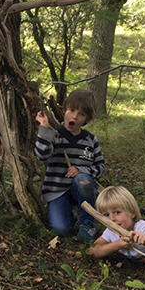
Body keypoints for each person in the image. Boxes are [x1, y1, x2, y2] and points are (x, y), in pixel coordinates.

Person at [35, 89, 104, 242]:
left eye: (81, 114)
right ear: (64, 110)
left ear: (87, 119)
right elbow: (42, 154)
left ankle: (88, 224)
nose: (74, 116)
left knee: (83, 179)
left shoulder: (90, 140)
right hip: (57, 191)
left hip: (79, 190)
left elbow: (100, 166)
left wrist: (81, 170)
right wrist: (44, 128)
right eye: (72, 110)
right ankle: (70, 213)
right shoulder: (55, 136)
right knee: (61, 230)